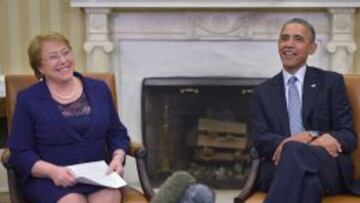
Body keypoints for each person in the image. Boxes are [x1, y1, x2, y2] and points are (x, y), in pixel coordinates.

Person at [7, 32, 130, 203]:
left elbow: (117, 132)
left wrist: (118, 158)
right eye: (53, 57)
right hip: (49, 179)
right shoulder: (28, 99)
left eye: (66, 53)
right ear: (40, 67)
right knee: (72, 201)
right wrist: (52, 171)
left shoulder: (99, 89)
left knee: (108, 198)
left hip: (97, 176)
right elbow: (20, 151)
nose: (63, 61)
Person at [251, 18, 359, 203]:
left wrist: (311, 135)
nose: (289, 44)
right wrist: (290, 142)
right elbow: (260, 139)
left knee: (294, 150)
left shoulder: (331, 83)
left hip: (327, 166)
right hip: (278, 168)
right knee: (307, 181)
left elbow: (348, 136)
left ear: (312, 48)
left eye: (298, 39)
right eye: (284, 38)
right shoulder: (263, 92)